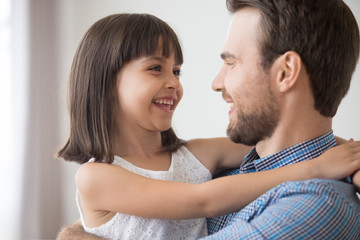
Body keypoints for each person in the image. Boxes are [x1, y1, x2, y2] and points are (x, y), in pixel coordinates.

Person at [55, 12, 360, 240]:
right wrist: (316, 167)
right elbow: (205, 199)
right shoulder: (96, 176)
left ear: (286, 72)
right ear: (105, 84)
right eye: (155, 68)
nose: (174, 83)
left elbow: (296, 142)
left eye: (176, 71)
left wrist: (348, 156)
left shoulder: (199, 155)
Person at [203, 0, 360, 239]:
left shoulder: (315, 208)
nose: (216, 83)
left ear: (286, 72)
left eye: (231, 63)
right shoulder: (226, 170)